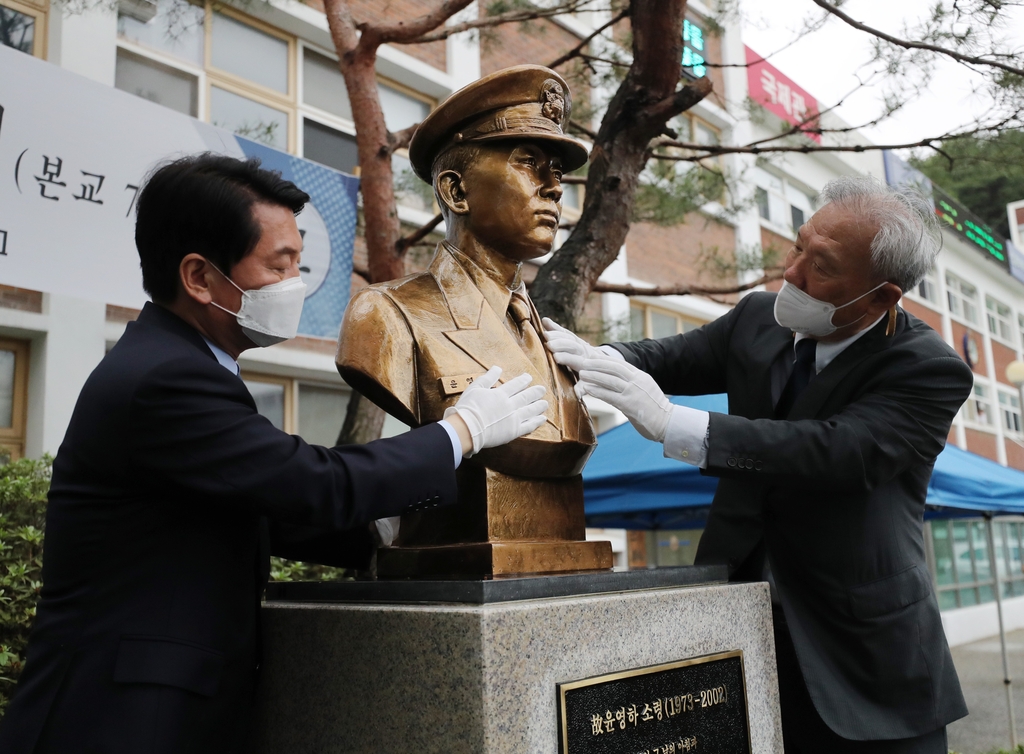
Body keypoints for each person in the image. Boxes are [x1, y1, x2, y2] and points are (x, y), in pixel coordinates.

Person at [0, 154, 548, 754]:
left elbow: (257, 509)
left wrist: (390, 528)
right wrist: (460, 432)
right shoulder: (166, 378)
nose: (296, 282)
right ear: (200, 277)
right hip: (121, 719)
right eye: (279, 264)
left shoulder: (182, 363)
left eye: (300, 260)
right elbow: (310, 482)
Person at [545, 176, 972, 753]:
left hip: (861, 651)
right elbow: (665, 358)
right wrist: (588, 358)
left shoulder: (928, 368)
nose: (791, 274)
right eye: (798, 246)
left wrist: (674, 425)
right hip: (735, 615)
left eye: (821, 266)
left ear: (881, 297)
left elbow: (836, 450)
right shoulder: (757, 319)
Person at [337, 65, 609, 575]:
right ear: (456, 191)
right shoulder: (387, 316)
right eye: (530, 163)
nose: (555, 187)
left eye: (556, 168)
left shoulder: (554, 341)